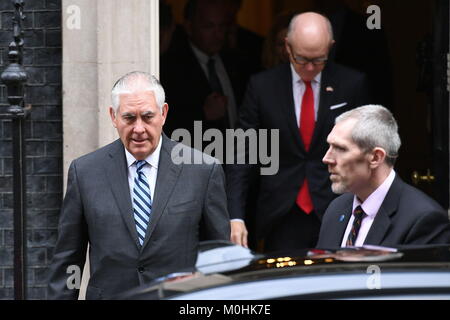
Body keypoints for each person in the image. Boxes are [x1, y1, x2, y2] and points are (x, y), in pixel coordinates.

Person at [47, 72, 230, 300]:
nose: (139, 128)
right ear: (113, 117)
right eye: (129, 118)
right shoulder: (85, 172)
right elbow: (68, 259)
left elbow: (220, 258)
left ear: (163, 113)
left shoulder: (203, 170)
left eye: (147, 116)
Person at [227, 12, 371, 252]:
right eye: (302, 59)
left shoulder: (352, 84)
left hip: (338, 207)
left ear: (331, 48)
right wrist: (236, 216)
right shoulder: (262, 86)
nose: (311, 68)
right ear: (287, 47)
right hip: (281, 212)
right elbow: (243, 153)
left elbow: (367, 150)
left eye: (320, 60)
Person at [317, 105, 450, 248]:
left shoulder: (423, 219)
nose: (327, 158)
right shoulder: (336, 208)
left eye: (340, 149)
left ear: (375, 157)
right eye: (329, 147)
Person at [161, 0, 251, 138]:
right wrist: (203, 114)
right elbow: (167, 123)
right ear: (189, 27)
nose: (218, 34)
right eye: (209, 26)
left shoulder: (238, 61)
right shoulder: (172, 68)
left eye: (222, 26)